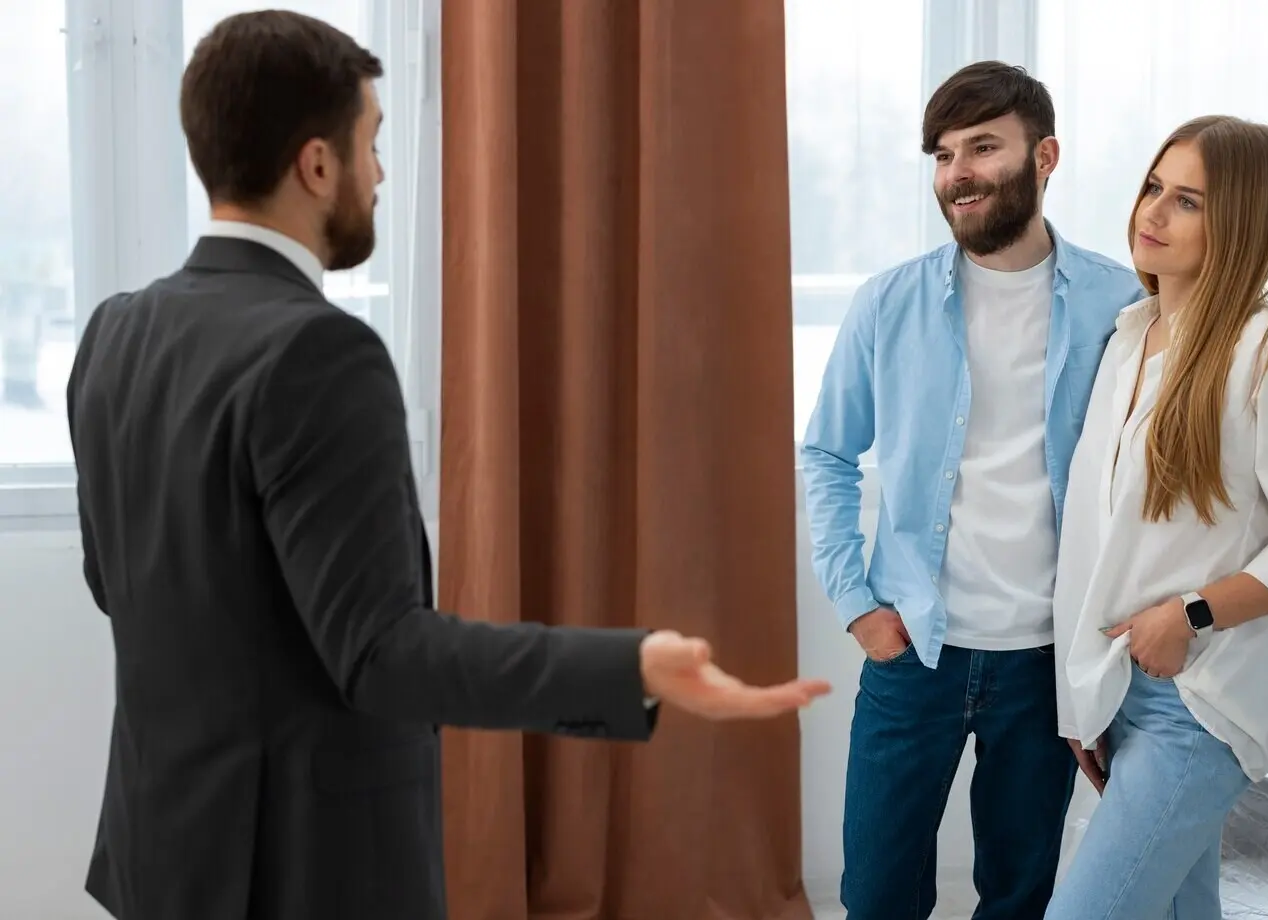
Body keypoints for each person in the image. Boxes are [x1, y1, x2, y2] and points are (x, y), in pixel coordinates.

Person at [66, 12, 829, 920]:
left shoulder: (115, 332)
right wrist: (632, 667)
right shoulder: (318, 353)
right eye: (372, 143)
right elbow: (383, 654)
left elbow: (116, 583)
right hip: (304, 873)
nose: (381, 174)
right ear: (317, 165)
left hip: (163, 856)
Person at [798, 62, 1268, 920]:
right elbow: (828, 454)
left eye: (984, 146)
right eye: (944, 155)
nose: (959, 173)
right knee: (875, 893)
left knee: (1025, 894)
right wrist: (854, 601)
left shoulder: (1117, 303)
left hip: (1051, 660)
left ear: (1045, 155)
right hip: (924, 647)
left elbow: (1254, 436)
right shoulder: (906, 306)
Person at [1045, 115, 1268, 919]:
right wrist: (1083, 697)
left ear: (1239, 223)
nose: (1153, 212)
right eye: (1154, 187)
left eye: (1187, 201)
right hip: (1120, 688)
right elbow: (1097, 539)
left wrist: (1189, 614)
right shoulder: (1128, 339)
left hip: (1202, 699)